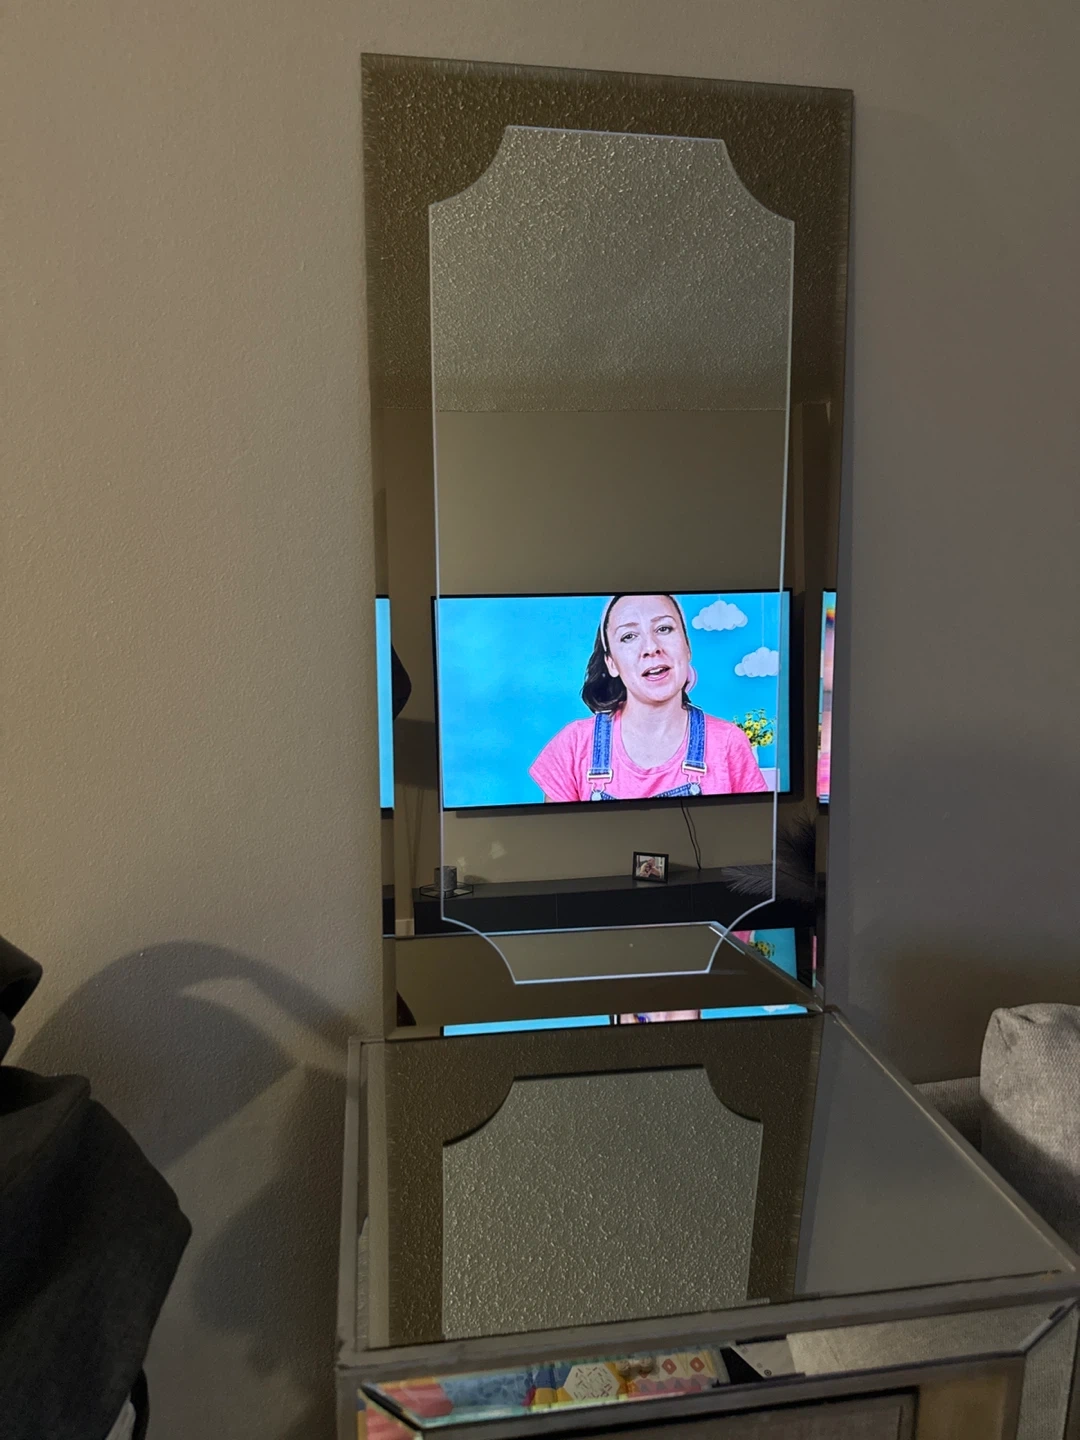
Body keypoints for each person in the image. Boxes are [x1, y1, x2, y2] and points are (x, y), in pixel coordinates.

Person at [530, 594, 769, 803]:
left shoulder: (728, 743)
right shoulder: (573, 745)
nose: (651, 647)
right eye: (629, 636)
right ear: (611, 663)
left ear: (687, 647)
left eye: (664, 629)